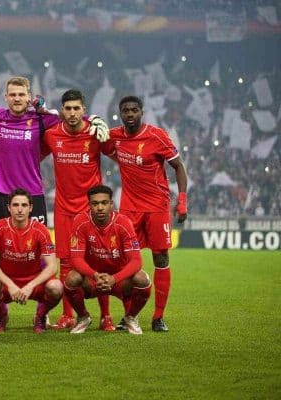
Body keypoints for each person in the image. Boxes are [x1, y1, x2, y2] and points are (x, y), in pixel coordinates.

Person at [0, 76, 109, 225]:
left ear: (28, 97)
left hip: (33, 192)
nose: (17, 98)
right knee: (1, 249)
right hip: (3, 193)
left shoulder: (41, 119)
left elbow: (71, 116)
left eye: (21, 94)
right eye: (13, 94)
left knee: (38, 251)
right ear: (6, 97)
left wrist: (93, 118)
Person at [103, 96, 188, 332]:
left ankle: (158, 316)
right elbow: (104, 146)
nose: (130, 114)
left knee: (161, 258)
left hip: (157, 207)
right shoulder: (115, 136)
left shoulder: (156, 136)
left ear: (141, 112)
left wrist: (182, 200)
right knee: (126, 261)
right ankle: (130, 315)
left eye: (134, 110)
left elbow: (179, 166)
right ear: (120, 114)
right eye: (125, 111)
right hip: (130, 208)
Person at [42, 89, 113, 331]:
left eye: (77, 108)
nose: (72, 113)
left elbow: (118, 149)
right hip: (63, 209)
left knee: (99, 262)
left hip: (91, 211)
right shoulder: (52, 135)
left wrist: (103, 128)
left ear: (84, 109)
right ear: (62, 111)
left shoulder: (95, 134)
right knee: (66, 263)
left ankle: (106, 317)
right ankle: (68, 315)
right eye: (68, 109)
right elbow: (31, 153)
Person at [64, 185, 152, 335]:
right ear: (89, 204)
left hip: (119, 281)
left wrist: (114, 278)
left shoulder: (123, 223)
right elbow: (76, 259)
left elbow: (136, 261)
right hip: (93, 281)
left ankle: (131, 317)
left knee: (143, 279)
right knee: (71, 278)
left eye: (104, 203)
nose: (99, 207)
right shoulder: (80, 221)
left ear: (111, 204)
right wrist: (95, 275)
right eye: (95, 203)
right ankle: (83, 317)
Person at [0, 188, 63, 333]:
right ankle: (2, 315)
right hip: (8, 283)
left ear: (30, 208)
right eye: (15, 205)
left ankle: (40, 316)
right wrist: (11, 285)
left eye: (24, 205)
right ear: (8, 207)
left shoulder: (41, 230)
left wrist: (29, 286)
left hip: (33, 283)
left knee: (56, 287)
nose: (20, 210)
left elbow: (52, 267)